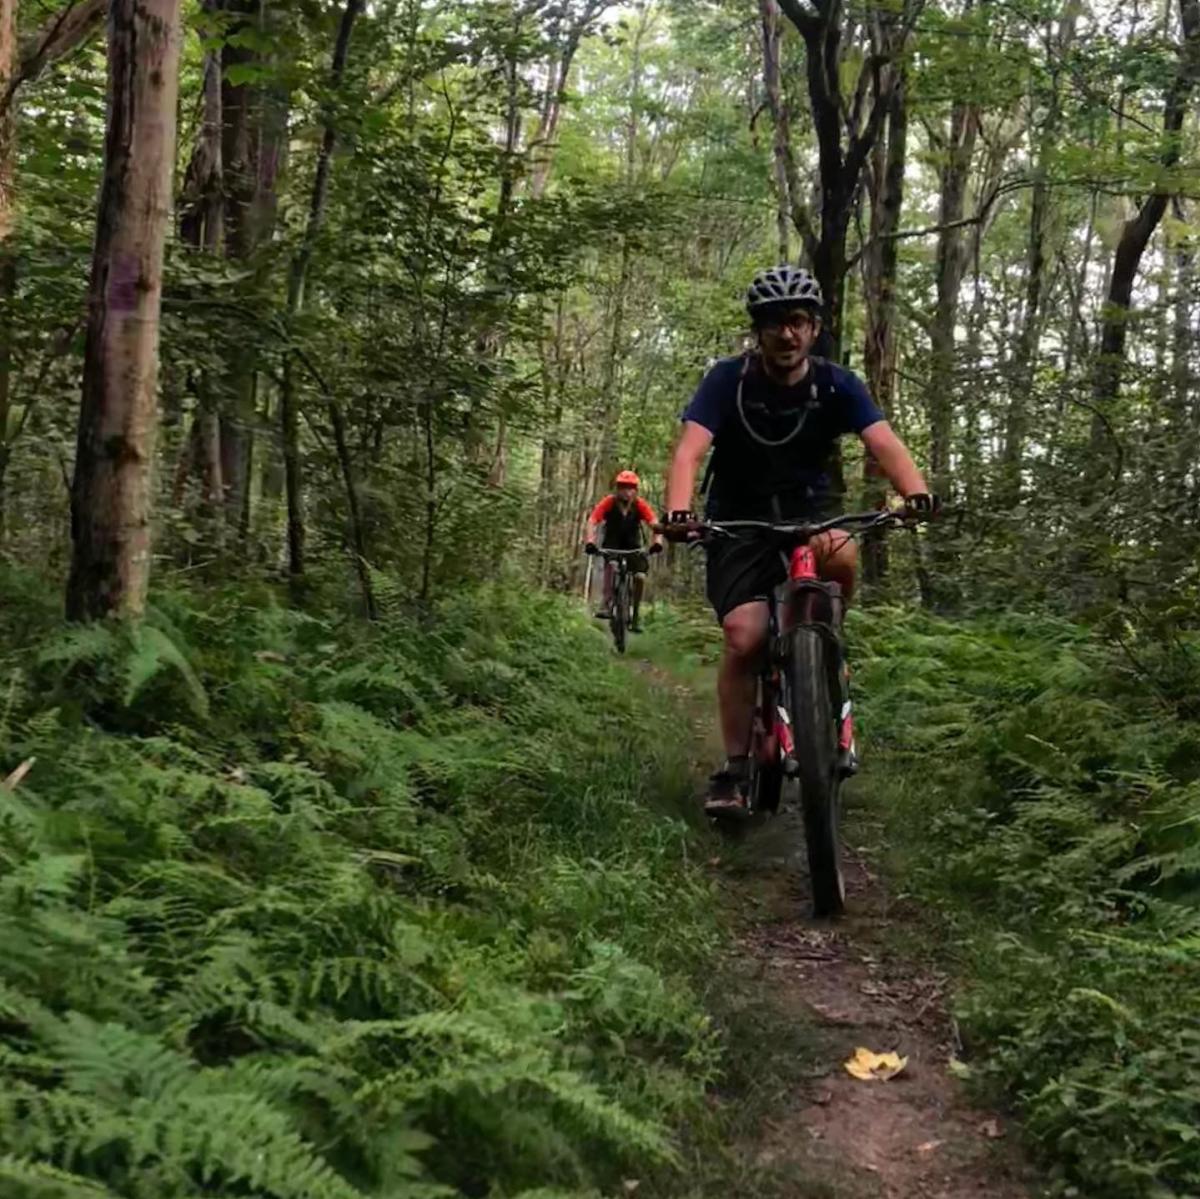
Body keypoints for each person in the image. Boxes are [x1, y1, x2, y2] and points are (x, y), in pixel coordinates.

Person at [660, 265, 936, 814]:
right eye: (774, 324)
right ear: (757, 331)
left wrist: (916, 494)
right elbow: (690, 450)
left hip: (812, 514)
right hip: (739, 520)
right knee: (744, 637)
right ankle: (735, 769)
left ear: (813, 328)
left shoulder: (837, 384)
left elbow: (883, 442)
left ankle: (823, 647)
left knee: (842, 553)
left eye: (798, 322)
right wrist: (677, 510)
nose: (787, 334)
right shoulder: (727, 381)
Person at [585, 471, 663, 632]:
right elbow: (593, 520)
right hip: (611, 545)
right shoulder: (609, 502)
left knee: (640, 577)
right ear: (617, 489)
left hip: (633, 546)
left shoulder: (640, 504)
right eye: (623, 487)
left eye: (631, 488)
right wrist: (590, 541)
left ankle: (635, 615)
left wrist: (657, 542)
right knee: (612, 566)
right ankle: (606, 604)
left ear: (636, 490)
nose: (627, 491)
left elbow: (655, 523)